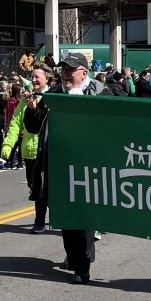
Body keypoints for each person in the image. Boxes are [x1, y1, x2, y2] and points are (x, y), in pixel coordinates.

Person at [23, 52, 106, 284]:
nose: (65, 74)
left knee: (83, 216)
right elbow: (33, 127)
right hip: (58, 164)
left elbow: (111, 125)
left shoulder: (100, 93)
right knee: (66, 216)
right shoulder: (53, 94)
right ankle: (74, 257)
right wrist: (32, 109)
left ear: (83, 72)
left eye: (70, 70)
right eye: (63, 70)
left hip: (88, 166)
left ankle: (82, 265)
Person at [2, 63, 50, 233]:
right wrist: (8, 144)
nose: (34, 79)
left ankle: (41, 221)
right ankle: (43, 219)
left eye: (37, 76)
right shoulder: (26, 99)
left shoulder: (52, 97)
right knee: (34, 186)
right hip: (30, 152)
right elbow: (16, 123)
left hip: (47, 151)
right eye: (32, 76)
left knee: (45, 187)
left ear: (47, 78)